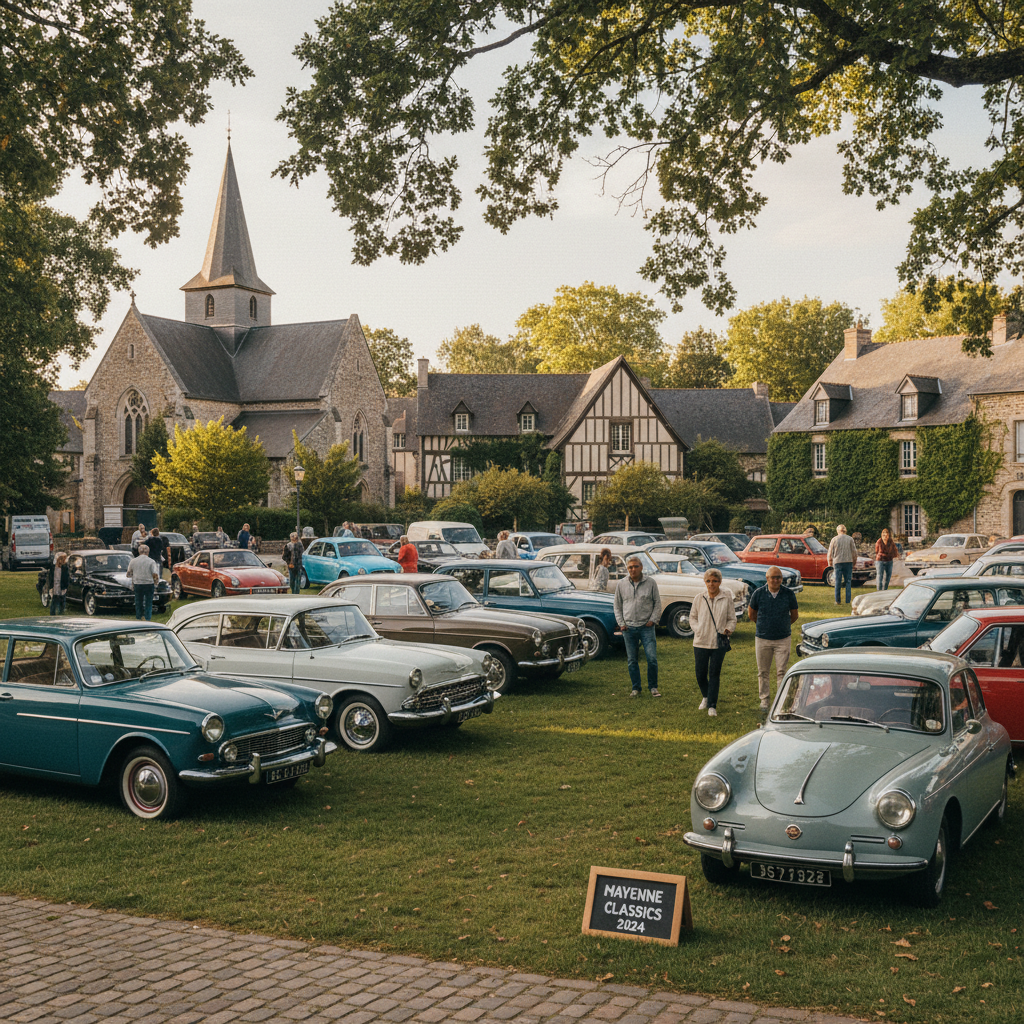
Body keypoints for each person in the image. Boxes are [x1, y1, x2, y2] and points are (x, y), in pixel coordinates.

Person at [748, 567, 800, 710]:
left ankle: (780, 701)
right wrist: (764, 625)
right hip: (763, 639)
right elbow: (752, 614)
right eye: (773, 577)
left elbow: (794, 615)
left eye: (779, 577)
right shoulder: (758, 594)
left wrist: (782, 625)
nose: (776, 580)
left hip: (783, 639)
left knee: (781, 672)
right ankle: (764, 701)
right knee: (763, 672)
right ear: (767, 578)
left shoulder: (788, 594)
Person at [689, 568, 737, 717]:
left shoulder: (726, 597)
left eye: (715, 581)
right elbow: (693, 617)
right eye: (709, 581)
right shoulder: (699, 598)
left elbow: (732, 618)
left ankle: (712, 705)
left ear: (720, 582)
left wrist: (728, 629)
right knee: (700, 673)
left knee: (714, 673)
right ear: (705, 582)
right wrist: (699, 629)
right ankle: (706, 696)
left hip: (718, 642)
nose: (712, 584)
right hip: (701, 641)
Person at [613, 555, 661, 697]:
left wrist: (653, 620)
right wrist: (621, 623)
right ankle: (636, 688)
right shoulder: (621, 584)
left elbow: (657, 603)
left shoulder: (651, 583)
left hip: (646, 627)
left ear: (641, 567)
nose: (633, 569)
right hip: (628, 628)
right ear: (627, 569)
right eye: (630, 567)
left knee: (651, 658)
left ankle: (653, 687)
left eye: (635, 566)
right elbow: (617, 605)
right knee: (632, 660)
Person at [127, 543, 160, 620]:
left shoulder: (133, 561)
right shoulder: (151, 561)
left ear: (139, 551)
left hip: (137, 583)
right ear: (148, 552)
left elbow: (128, 574)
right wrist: (156, 582)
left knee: (138, 602)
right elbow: (154, 573)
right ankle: (148, 617)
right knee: (148, 602)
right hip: (149, 583)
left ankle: (139, 616)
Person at [827, 524, 859, 604]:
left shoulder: (834, 539)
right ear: (845, 531)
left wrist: (829, 563)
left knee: (837, 581)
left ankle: (837, 600)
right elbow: (854, 552)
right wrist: (854, 563)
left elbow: (830, 553)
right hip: (848, 562)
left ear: (838, 531)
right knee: (848, 581)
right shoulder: (850, 539)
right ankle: (848, 600)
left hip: (838, 562)